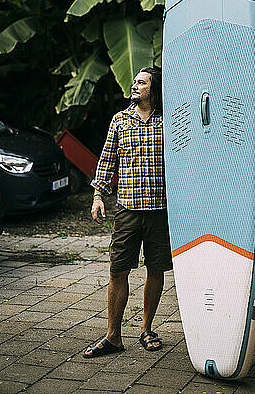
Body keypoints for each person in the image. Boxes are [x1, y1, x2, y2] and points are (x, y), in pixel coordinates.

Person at [83, 67, 172, 358]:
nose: (134, 85)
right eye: (134, 81)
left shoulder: (168, 120)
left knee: (155, 269)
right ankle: (113, 337)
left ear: (154, 89)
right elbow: (108, 158)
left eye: (141, 82)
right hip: (128, 209)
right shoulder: (120, 120)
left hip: (160, 209)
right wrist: (98, 196)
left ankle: (147, 329)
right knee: (118, 269)